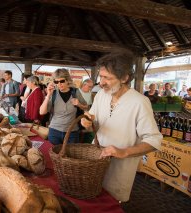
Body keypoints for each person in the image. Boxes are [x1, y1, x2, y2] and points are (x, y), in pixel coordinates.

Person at [81, 51, 162, 202]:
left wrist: (123, 152)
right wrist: (87, 120)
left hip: (120, 170)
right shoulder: (101, 95)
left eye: (107, 78)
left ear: (124, 78)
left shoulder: (139, 102)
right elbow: (92, 117)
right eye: (101, 76)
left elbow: (154, 140)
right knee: (91, 199)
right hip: (96, 161)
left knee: (111, 204)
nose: (101, 82)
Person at [39, 68, 88, 145]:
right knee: (54, 155)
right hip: (54, 131)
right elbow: (42, 112)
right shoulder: (53, 93)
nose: (59, 84)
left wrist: (79, 104)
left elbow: (86, 107)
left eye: (62, 81)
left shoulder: (75, 92)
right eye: (56, 82)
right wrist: (48, 95)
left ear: (67, 80)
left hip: (72, 132)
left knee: (70, 156)